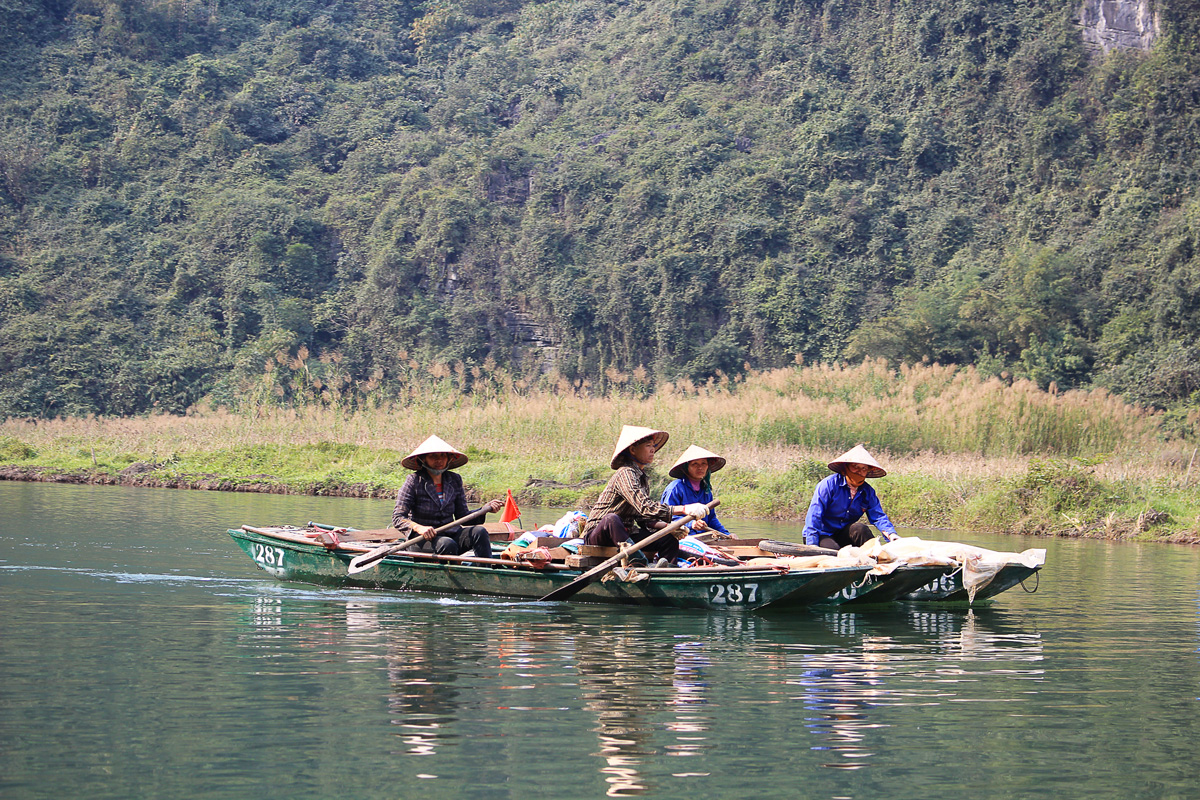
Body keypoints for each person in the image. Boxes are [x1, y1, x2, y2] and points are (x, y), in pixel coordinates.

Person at [581, 425, 711, 567]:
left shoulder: (642, 478)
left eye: (653, 446)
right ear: (633, 450)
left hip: (626, 535)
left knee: (668, 538)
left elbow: (644, 519)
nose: (652, 450)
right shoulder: (625, 473)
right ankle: (637, 562)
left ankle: (669, 573)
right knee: (612, 519)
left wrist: (670, 527)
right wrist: (684, 509)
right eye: (648, 446)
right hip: (599, 535)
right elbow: (645, 507)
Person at [391, 435, 504, 559]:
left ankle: (484, 571)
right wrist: (419, 528)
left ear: (449, 459)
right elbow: (398, 518)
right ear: (423, 459)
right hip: (422, 540)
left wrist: (484, 509)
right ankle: (451, 575)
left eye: (442, 456)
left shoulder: (454, 480)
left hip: (450, 534)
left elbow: (463, 516)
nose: (439, 460)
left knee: (479, 532)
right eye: (433, 456)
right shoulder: (413, 481)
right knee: (447, 544)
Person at [802, 445, 899, 550]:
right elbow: (814, 516)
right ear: (845, 468)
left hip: (843, 535)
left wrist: (891, 534)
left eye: (864, 468)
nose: (859, 471)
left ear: (868, 471)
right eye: (855, 466)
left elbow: (878, 516)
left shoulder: (867, 492)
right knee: (834, 553)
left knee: (860, 529)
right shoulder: (829, 485)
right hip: (821, 534)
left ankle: (875, 556)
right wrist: (812, 546)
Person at [660, 445, 734, 537]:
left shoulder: (706, 490)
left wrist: (726, 534)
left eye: (704, 464)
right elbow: (667, 517)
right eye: (695, 464)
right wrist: (691, 524)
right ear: (686, 467)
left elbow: (711, 519)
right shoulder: (675, 488)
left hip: (703, 538)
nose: (700, 468)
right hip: (681, 538)